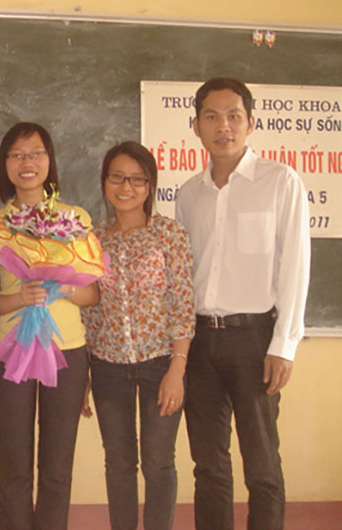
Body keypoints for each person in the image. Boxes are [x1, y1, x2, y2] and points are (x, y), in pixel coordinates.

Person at [175, 77, 311, 530]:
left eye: (234, 116)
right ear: (196, 126)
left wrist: (284, 345)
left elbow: (296, 266)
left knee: (262, 465)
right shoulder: (188, 194)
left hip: (255, 340)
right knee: (208, 466)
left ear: (251, 123)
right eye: (212, 117)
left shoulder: (280, 181)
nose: (224, 127)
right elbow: (183, 276)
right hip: (199, 342)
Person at [0, 122, 98, 530]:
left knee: (57, 467)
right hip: (10, 351)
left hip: (66, 352)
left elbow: (93, 295)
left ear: (49, 160)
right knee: (14, 467)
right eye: (17, 155)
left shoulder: (75, 218)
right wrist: (21, 297)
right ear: (5, 164)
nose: (27, 162)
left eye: (36, 153)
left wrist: (63, 286)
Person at [82, 141, 194, 530]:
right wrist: (84, 374)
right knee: (118, 463)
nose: (126, 187)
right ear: (104, 182)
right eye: (117, 177)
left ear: (150, 186)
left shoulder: (169, 234)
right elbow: (88, 312)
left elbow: (182, 303)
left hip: (159, 365)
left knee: (159, 462)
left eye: (137, 179)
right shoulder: (93, 240)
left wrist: (177, 369)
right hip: (108, 368)